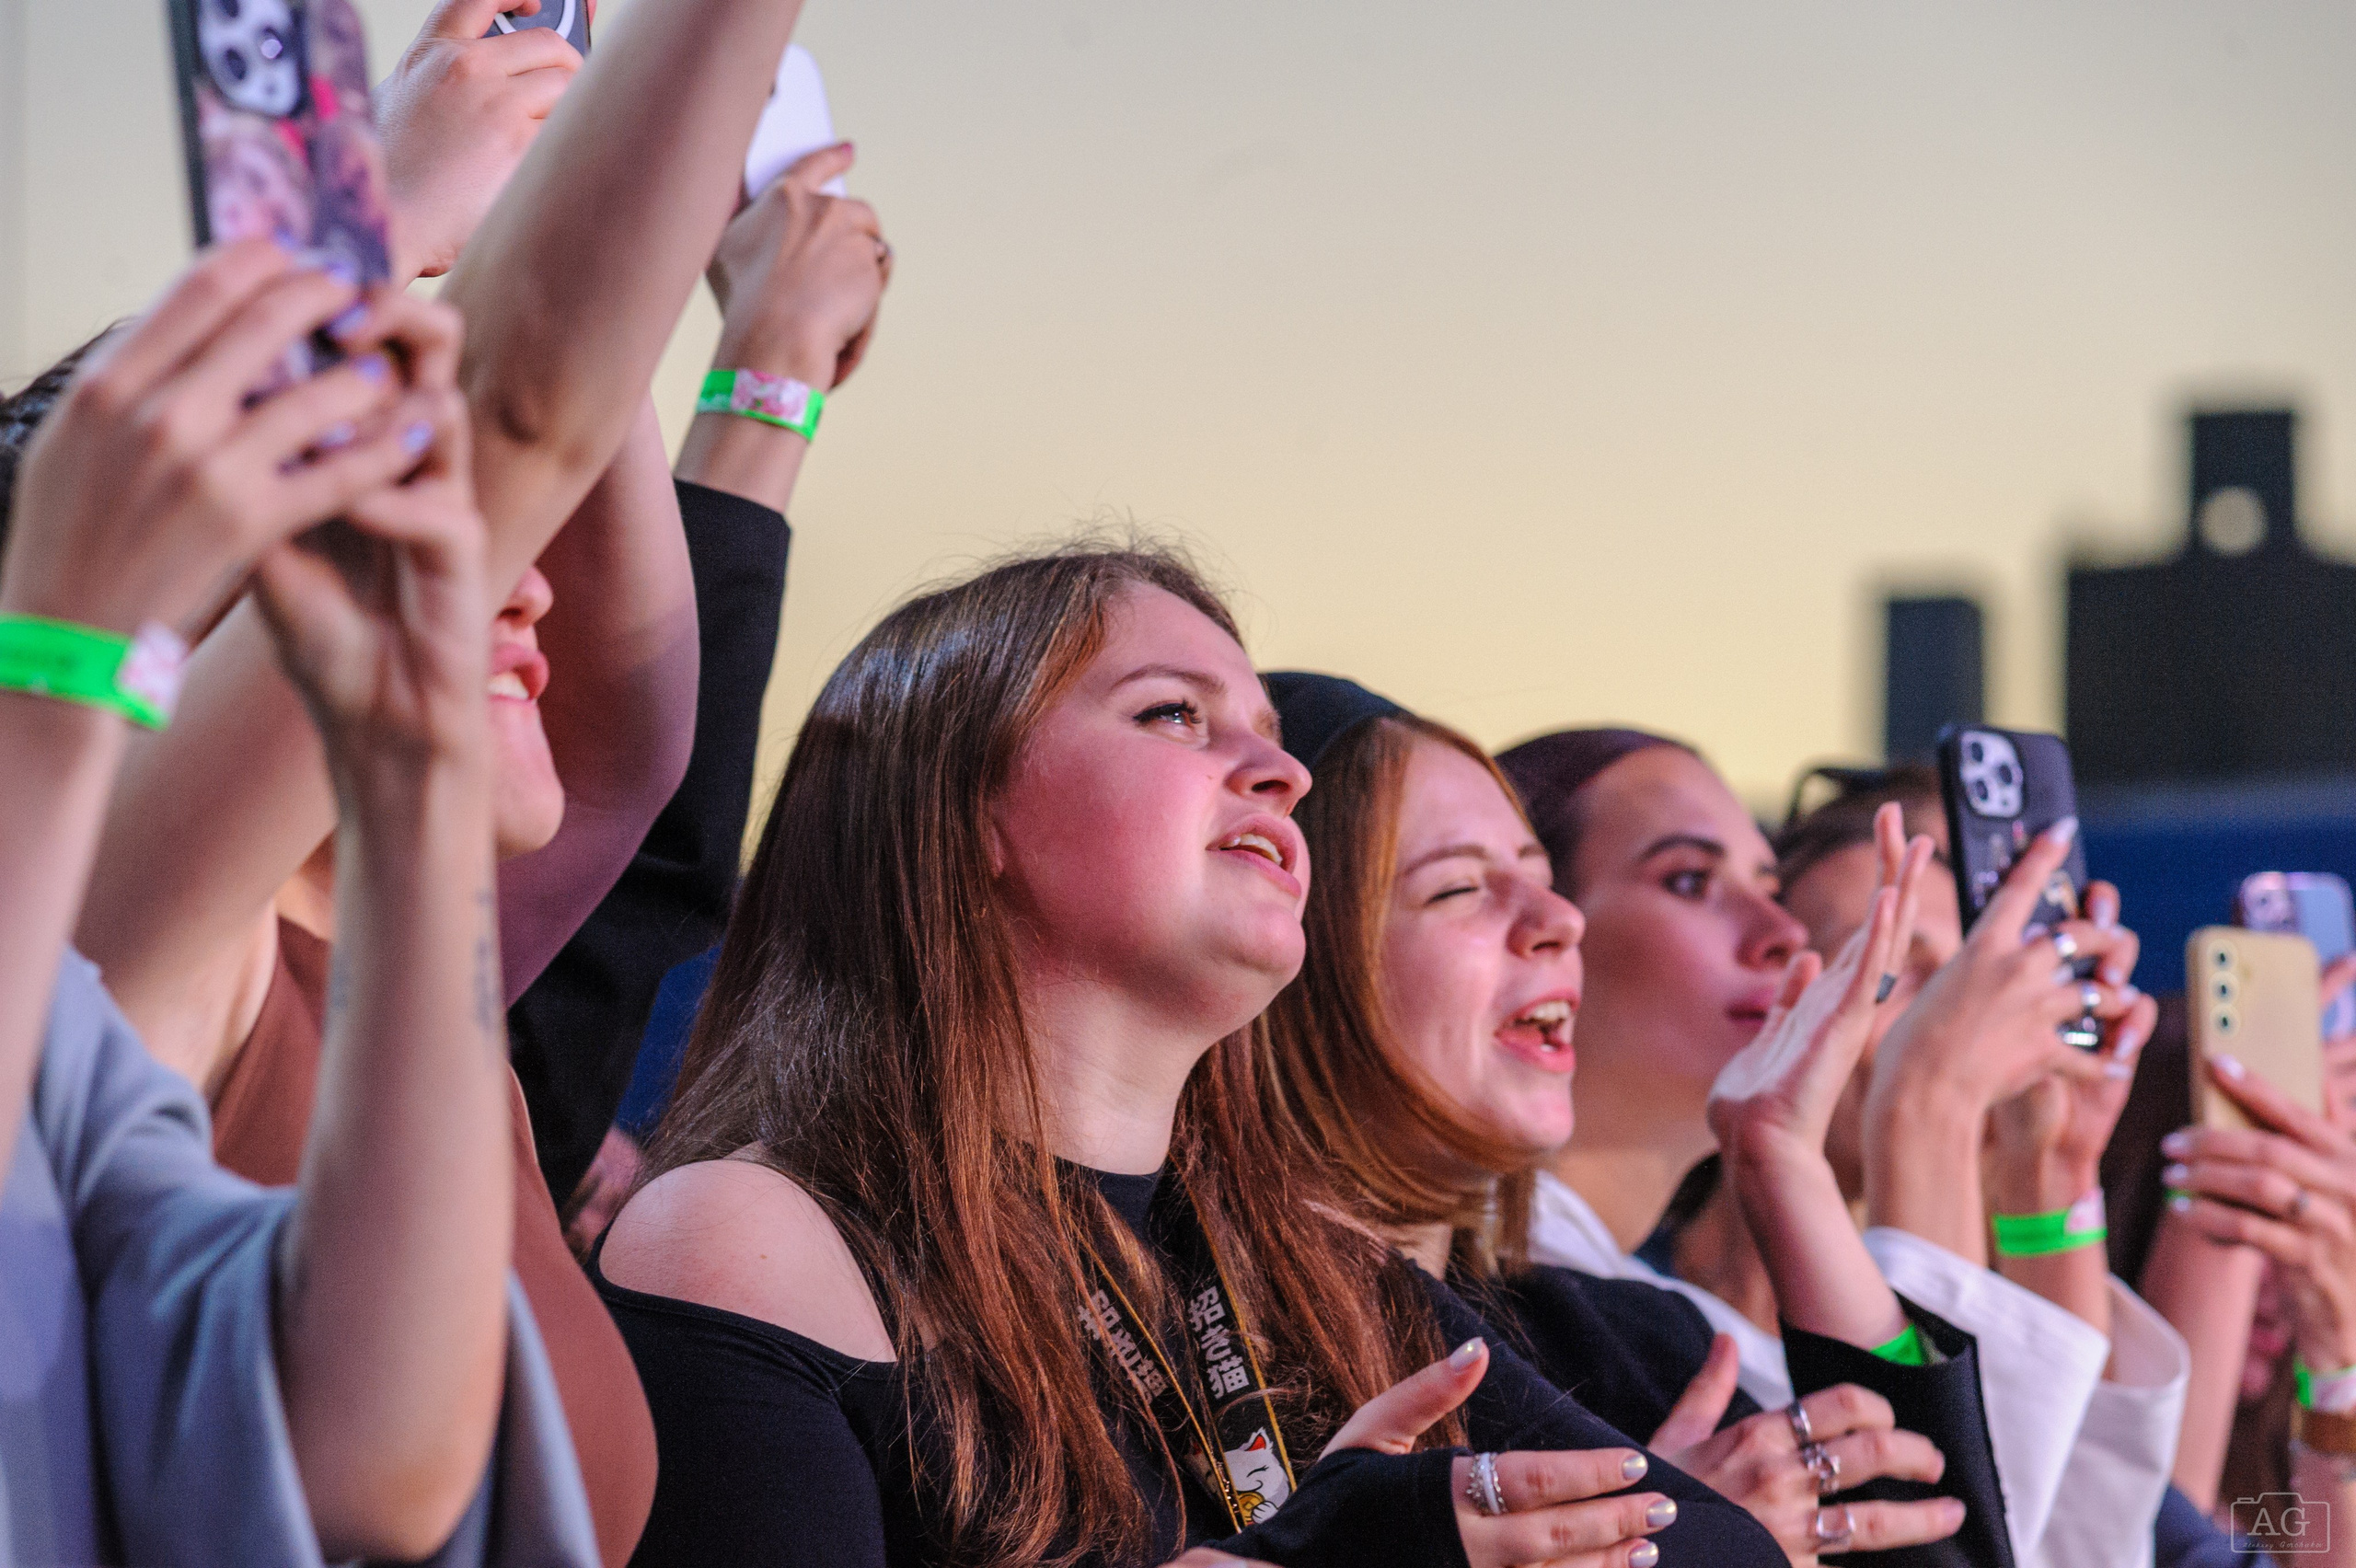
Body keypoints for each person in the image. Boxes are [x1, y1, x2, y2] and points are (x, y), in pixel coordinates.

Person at [596, 544, 1773, 1567]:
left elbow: (1724, 1556)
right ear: (963, 808)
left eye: (1267, 731)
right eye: (1174, 713)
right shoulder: (750, 1238)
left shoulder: (1307, 1269)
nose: (1283, 774)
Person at [0, 240, 591, 1566]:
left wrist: (413, 776)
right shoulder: (158, 965)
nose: (528, 577)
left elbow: (381, 1477)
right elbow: (538, 404)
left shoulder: (104, 1061)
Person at [1253, 673, 2000, 1564]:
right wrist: (1680, 1537)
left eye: (1538, 880)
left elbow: (1943, 1541)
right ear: (1296, 957)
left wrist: (1777, 1151)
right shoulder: (1156, 1318)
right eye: (1457, 889)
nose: (1555, 922)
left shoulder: (1629, 1339)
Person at [1497, 731, 2191, 1568]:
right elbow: (1957, 1544)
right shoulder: (1520, 1312)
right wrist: (1930, 1105)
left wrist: (2049, 1175)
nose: (1780, 937)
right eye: (1689, 880)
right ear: (1547, 933)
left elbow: (2081, 1546)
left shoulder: (1637, 1302)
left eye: (1764, 883)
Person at [509, 137, 891, 1224]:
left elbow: (636, 847)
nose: (525, 598)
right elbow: (637, 835)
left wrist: (775, 355)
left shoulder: (463, 1071)